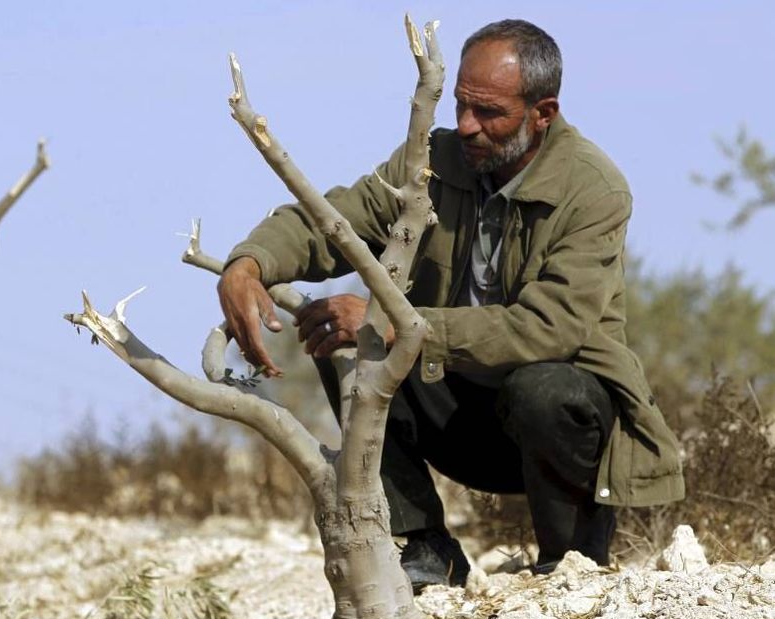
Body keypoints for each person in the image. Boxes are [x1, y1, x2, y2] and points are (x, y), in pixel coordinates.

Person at [217, 19, 684, 589]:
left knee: (543, 388)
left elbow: (548, 328)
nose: (466, 126)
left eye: (488, 113)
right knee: (345, 347)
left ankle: (572, 565)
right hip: (460, 413)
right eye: (461, 105)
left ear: (544, 113)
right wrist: (251, 261)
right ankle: (425, 548)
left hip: (557, 427)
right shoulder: (431, 159)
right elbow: (333, 222)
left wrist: (397, 324)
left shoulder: (594, 190)